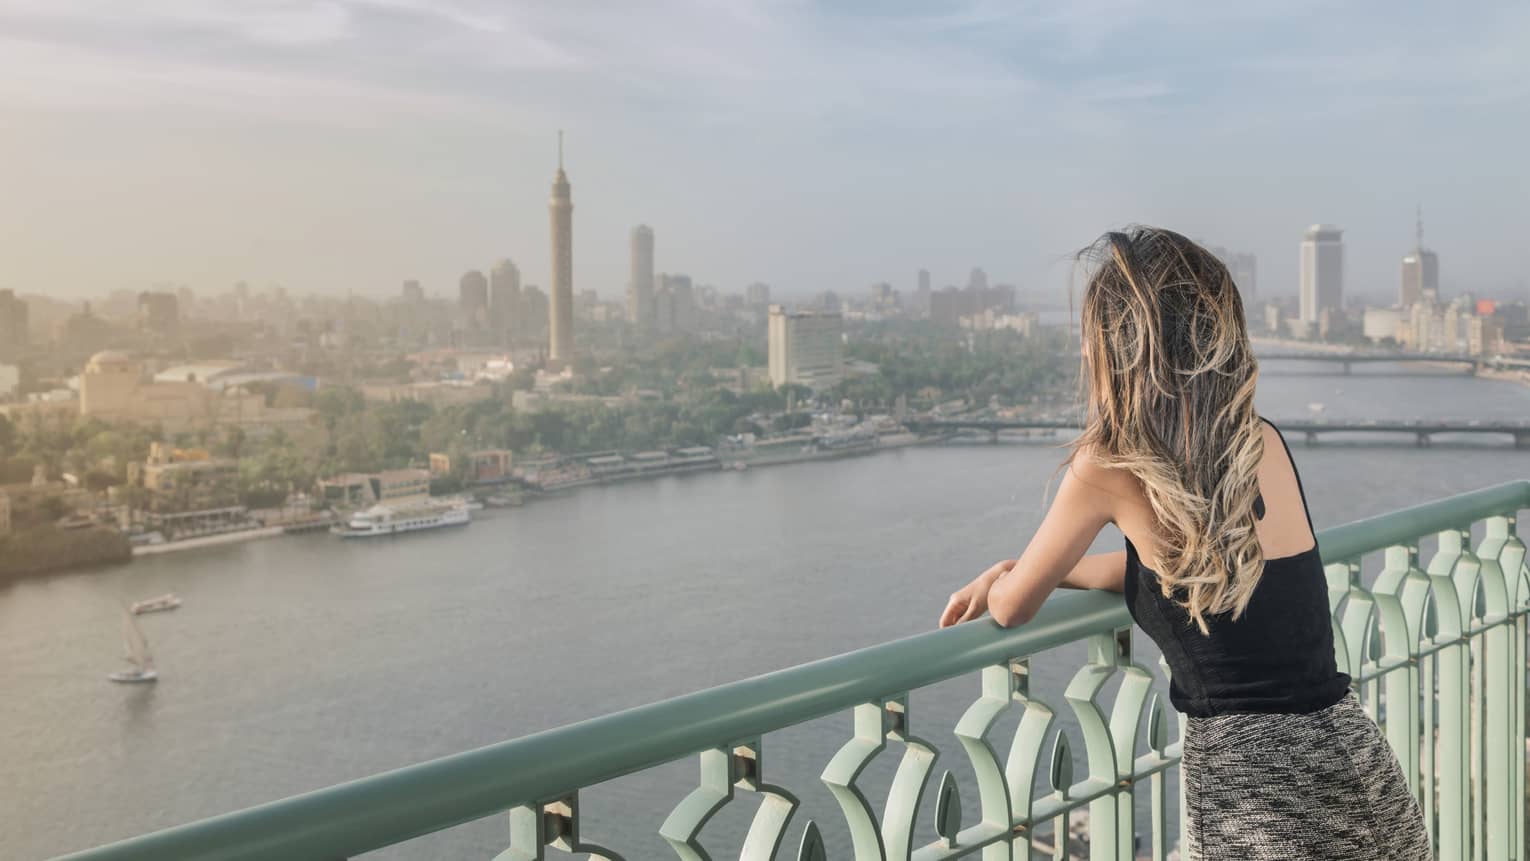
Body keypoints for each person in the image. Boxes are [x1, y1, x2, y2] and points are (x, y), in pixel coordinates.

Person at [937, 226, 1430, 860]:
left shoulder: (1108, 466)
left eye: (1089, 336)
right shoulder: (1260, 442)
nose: (1083, 353)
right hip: (1362, 772)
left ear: (1118, 348)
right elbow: (1196, 573)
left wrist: (1010, 575)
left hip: (1253, 799)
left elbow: (1010, 608)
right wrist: (1064, 572)